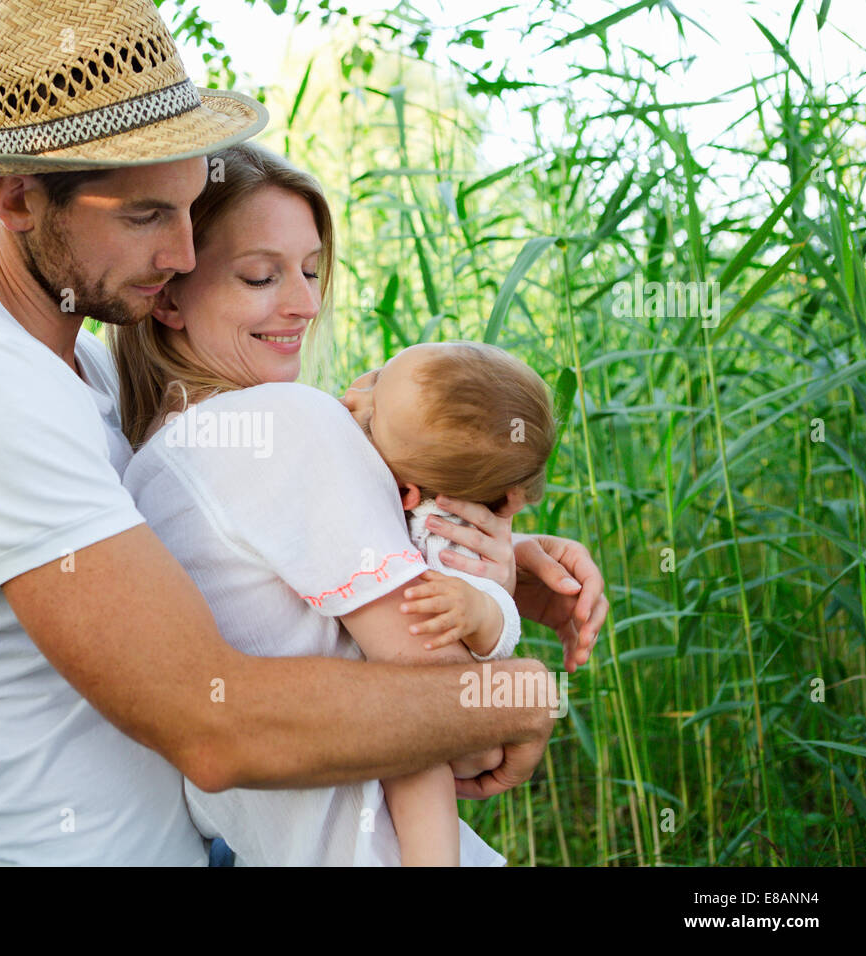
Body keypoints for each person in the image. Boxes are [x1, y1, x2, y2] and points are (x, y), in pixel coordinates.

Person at [0, 0, 605, 866]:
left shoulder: (79, 372)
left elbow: (216, 572)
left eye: (190, 206)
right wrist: (512, 693)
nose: (181, 252)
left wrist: (470, 560)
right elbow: (215, 723)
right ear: (16, 195)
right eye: (143, 216)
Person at [111, 143, 573, 865]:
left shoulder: (148, 467)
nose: (302, 303)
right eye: (261, 275)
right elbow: (469, 732)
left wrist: (505, 557)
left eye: (312, 270)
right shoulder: (289, 422)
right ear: (167, 294)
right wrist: (502, 614)